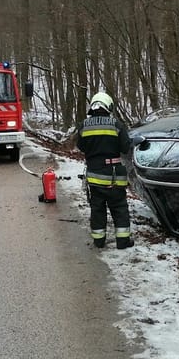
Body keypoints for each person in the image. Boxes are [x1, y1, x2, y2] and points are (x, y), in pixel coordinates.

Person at [76, 92, 134, 249]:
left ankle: (99, 241)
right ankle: (122, 242)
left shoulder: (83, 125)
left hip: (94, 177)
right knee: (119, 208)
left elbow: (81, 146)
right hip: (114, 176)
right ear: (108, 106)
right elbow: (125, 147)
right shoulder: (116, 125)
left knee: (97, 209)